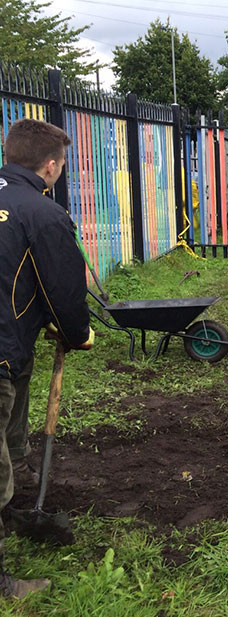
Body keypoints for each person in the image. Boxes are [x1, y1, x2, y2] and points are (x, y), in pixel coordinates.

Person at [0, 118, 94, 597]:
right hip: (1, 351)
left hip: (10, 348)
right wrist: (77, 333)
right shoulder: (41, 213)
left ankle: (13, 514)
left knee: (10, 440)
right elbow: (64, 288)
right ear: (51, 166)